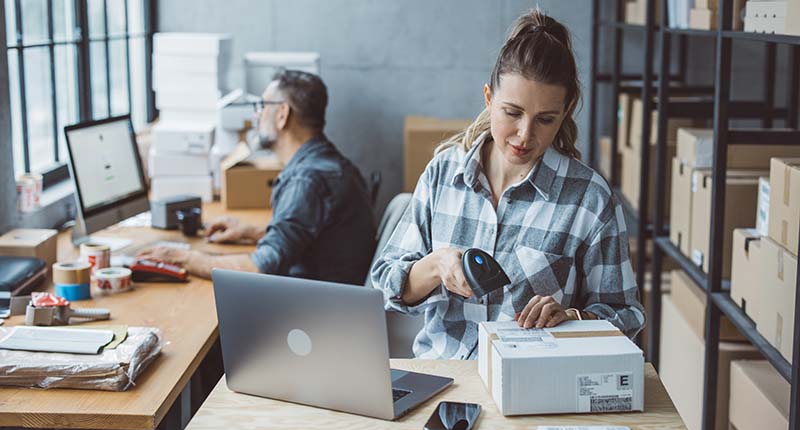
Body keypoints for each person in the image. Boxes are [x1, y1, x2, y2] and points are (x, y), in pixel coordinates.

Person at [371, 10, 645, 360]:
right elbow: (386, 285)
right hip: (443, 376)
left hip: (531, 382)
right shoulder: (443, 173)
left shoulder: (589, 199)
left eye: (545, 119)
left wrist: (574, 319)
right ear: (489, 99)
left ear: (566, 112)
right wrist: (436, 265)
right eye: (512, 113)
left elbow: (626, 316)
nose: (525, 135)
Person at [139, 70, 377, 285]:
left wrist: (184, 257)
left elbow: (260, 269)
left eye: (262, 105)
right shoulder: (328, 164)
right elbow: (313, 237)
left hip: (312, 308)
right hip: (330, 294)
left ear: (282, 114)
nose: (257, 115)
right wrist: (250, 232)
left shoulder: (307, 180)